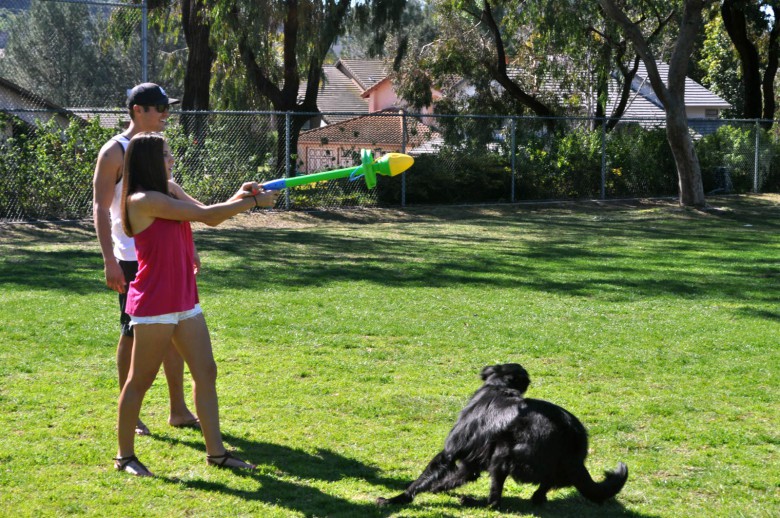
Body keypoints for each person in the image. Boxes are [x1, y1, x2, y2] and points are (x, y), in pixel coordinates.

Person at [114, 132, 278, 476]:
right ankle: (125, 457)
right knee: (139, 380)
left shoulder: (171, 190)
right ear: (148, 162)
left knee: (206, 372)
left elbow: (204, 211)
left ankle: (216, 453)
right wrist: (253, 204)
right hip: (154, 303)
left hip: (185, 298)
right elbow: (211, 218)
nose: (172, 160)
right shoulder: (141, 200)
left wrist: (242, 194)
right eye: (166, 155)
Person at [93, 83, 198, 434]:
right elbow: (99, 207)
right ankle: (131, 411)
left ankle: (178, 410)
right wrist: (109, 259)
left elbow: (177, 205)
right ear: (137, 109)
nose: (166, 114)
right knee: (132, 335)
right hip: (131, 259)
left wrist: (190, 248)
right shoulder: (115, 151)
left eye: (167, 107)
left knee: (175, 332)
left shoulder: (155, 150)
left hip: (165, 256)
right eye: (159, 108)